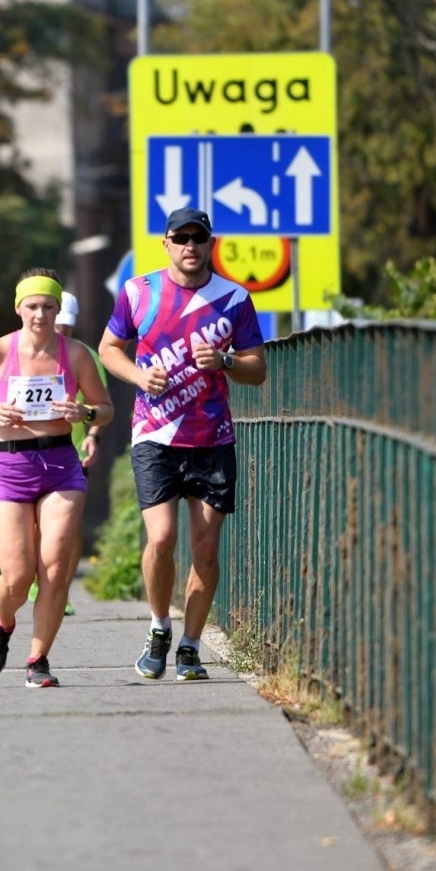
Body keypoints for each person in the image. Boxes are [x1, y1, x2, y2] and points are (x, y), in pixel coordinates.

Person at [98, 208, 267, 682]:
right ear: (167, 244)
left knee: (206, 548)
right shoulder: (139, 292)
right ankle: (159, 627)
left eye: (199, 238)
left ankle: (190, 647)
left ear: (211, 244)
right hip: (155, 434)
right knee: (161, 538)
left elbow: (258, 369)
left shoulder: (235, 299)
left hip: (212, 437)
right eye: (181, 238)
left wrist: (226, 361)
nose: (190, 246)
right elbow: (109, 348)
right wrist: (138, 376)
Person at [0, 268, 112, 688]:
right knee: (18, 575)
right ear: (18, 309)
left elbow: (105, 408)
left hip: (60, 463)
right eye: (32, 306)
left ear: (58, 309)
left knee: (56, 568)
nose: (40, 314)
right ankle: (2, 622)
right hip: (9, 464)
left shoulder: (76, 355)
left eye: (48, 306)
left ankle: (38, 659)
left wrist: (85, 413)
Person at [27, 291, 108, 615]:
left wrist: (93, 436)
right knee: (35, 524)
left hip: (72, 453)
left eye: (68, 327)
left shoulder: (84, 355)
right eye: (59, 325)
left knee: (68, 527)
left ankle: (61, 588)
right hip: (31, 452)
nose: (62, 331)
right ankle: (37, 579)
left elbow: (100, 403)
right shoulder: (24, 352)